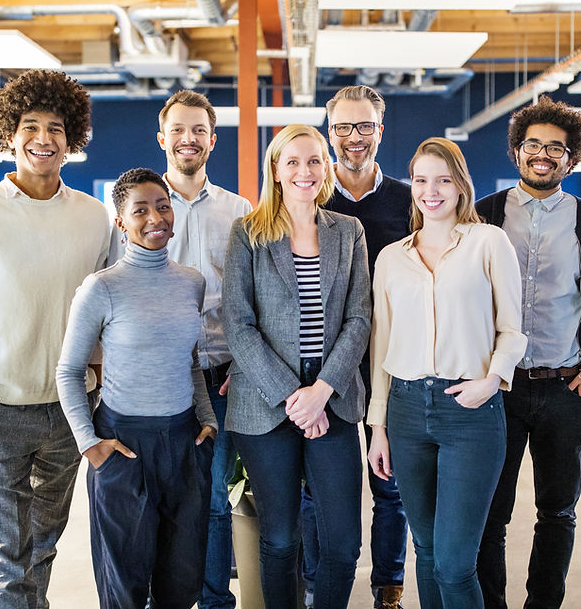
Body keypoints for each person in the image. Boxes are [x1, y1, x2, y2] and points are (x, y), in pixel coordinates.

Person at [0, 69, 109, 608]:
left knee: (45, 541)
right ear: (9, 133)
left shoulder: (92, 216)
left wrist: (97, 375)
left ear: (71, 138)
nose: (43, 138)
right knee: (9, 548)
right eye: (30, 126)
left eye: (56, 127)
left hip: (68, 408)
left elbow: (104, 306)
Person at [367, 137, 527, 608]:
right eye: (420, 180)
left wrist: (492, 381)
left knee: (456, 564)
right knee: (427, 549)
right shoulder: (391, 257)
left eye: (443, 179)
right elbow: (381, 344)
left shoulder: (488, 242)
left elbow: (513, 329)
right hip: (407, 410)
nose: (430, 191)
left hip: (470, 411)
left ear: (461, 185)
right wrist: (378, 426)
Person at [108, 90, 251, 609]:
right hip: (156, 380)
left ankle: (214, 602)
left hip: (220, 374)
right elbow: (112, 287)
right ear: (161, 138)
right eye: (178, 129)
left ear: (212, 140)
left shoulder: (238, 210)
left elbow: (247, 296)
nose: (188, 139)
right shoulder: (135, 206)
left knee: (210, 502)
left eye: (198, 130)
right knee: (156, 504)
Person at [474, 98, 581, 609]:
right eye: (533, 143)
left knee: (558, 511)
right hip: (501, 387)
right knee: (491, 512)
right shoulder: (484, 213)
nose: (543, 153)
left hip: (566, 386)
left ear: (571, 159)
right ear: (517, 151)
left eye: (556, 147)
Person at [222, 124, 371, 609]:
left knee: (345, 543)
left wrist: (322, 390)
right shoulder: (248, 233)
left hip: (333, 403)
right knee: (280, 540)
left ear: (326, 168)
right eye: (293, 162)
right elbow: (238, 324)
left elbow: (359, 316)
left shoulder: (348, 231)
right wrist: (294, 397)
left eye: (314, 160)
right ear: (276, 170)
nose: (304, 171)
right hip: (267, 408)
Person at [56, 168, 218, 609]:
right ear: (121, 222)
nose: (155, 218)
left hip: (183, 442)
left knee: (182, 582)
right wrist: (89, 444)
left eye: (162, 206)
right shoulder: (101, 288)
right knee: (124, 584)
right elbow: (68, 372)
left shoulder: (191, 282)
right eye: (140, 210)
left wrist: (206, 420)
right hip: (123, 443)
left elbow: (190, 362)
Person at [310, 84, 412, 609]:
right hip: (322, 362)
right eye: (344, 128)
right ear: (330, 134)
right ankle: (318, 586)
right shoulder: (307, 196)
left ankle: (388, 588)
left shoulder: (409, 199)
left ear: (380, 130)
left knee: (389, 481)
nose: (354, 138)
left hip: (390, 357)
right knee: (320, 483)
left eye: (364, 126)